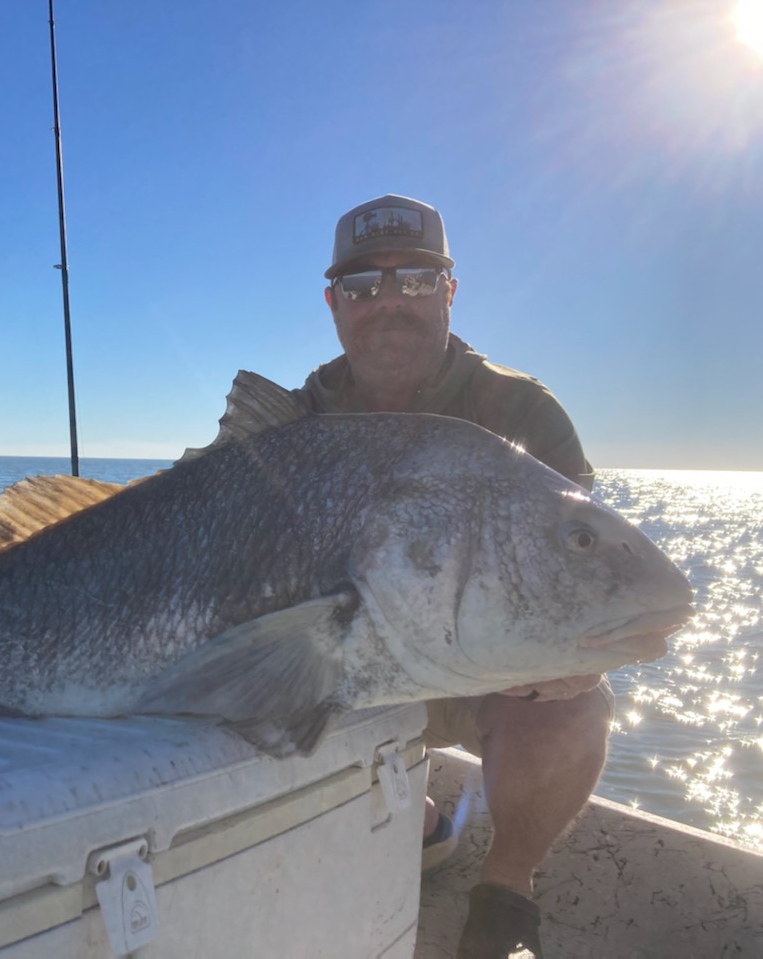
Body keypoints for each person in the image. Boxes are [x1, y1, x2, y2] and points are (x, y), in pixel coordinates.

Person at [217, 195, 612, 958]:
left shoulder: (520, 411)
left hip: (467, 669)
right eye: (364, 285)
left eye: (417, 279)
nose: (390, 299)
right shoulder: (292, 423)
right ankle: (421, 822)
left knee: (576, 707)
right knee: (221, 703)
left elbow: (577, 570)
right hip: (333, 658)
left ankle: (504, 891)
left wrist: (563, 659)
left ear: (451, 292)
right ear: (334, 305)